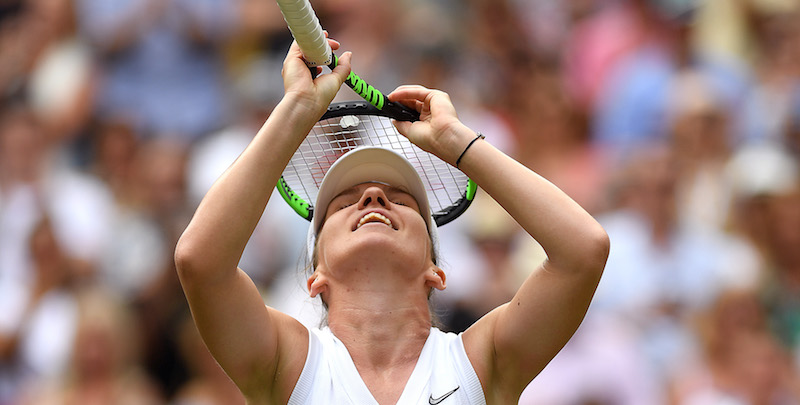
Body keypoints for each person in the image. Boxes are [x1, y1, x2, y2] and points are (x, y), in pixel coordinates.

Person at [174, 37, 610, 404]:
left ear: (435, 271)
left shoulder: (482, 360)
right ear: (315, 276)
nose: (373, 195)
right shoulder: (288, 360)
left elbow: (583, 250)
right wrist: (295, 108)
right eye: (343, 203)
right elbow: (200, 262)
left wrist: (455, 140)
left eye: (401, 199)